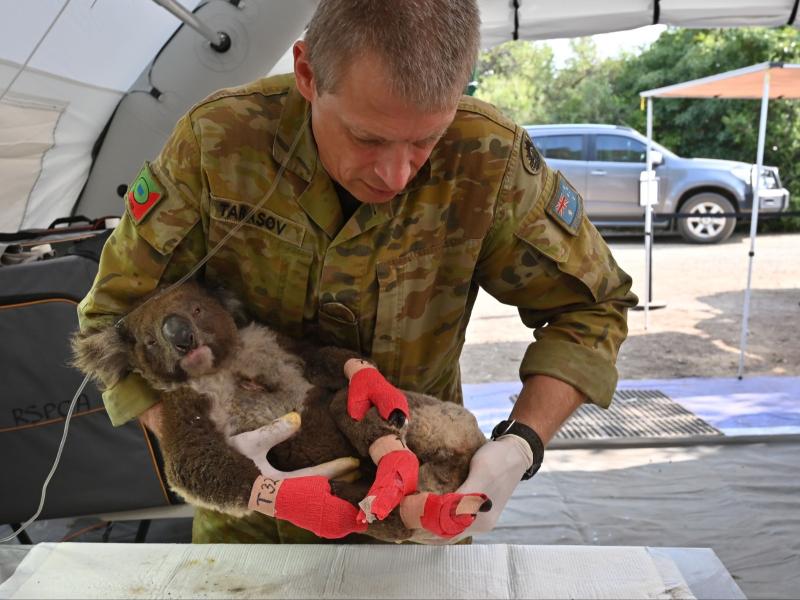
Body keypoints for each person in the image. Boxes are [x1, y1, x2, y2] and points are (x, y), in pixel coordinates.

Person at [78, 0, 637, 544]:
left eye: (425, 141)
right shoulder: (218, 143)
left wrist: (521, 443)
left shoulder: (488, 159)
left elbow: (590, 307)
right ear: (306, 73)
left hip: (419, 502)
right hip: (252, 533)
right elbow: (111, 317)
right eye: (367, 138)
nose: (395, 175)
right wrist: (210, 448)